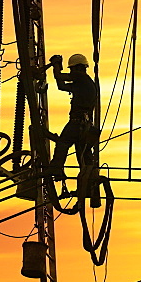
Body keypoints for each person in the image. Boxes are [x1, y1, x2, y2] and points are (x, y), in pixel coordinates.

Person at [47, 53, 98, 197]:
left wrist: (56, 64)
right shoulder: (83, 84)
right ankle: (88, 186)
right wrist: (56, 68)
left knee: (63, 142)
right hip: (86, 125)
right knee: (84, 156)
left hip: (78, 123)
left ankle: (56, 168)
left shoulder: (81, 77)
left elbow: (60, 77)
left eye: (72, 70)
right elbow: (61, 86)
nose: (70, 72)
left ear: (78, 68)